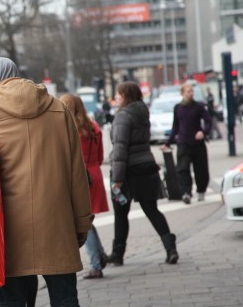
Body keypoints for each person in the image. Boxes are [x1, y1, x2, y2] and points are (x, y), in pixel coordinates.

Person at [0, 58, 93, 307]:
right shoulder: (60, 109)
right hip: (57, 222)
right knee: (66, 299)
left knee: (12, 301)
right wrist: (82, 223)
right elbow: (76, 173)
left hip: (9, 230)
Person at [108, 82, 178, 267]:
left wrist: (117, 178)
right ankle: (170, 248)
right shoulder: (143, 112)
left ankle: (118, 254)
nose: (116, 97)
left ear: (126, 96)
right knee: (152, 209)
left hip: (129, 170)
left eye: (119, 94)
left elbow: (120, 148)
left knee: (121, 213)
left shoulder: (123, 116)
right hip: (147, 165)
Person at [60, 94, 109, 280]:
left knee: (82, 222)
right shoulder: (93, 127)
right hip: (95, 174)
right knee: (87, 220)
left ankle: (96, 264)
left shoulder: (70, 129)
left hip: (81, 177)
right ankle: (101, 254)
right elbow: (101, 157)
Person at [162, 83, 212, 204]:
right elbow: (175, 127)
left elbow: (208, 121)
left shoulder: (199, 107)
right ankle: (186, 192)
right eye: (188, 91)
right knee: (182, 169)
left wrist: (203, 132)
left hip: (197, 143)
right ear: (182, 93)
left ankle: (201, 191)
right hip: (183, 143)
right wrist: (168, 143)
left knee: (201, 169)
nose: (191, 93)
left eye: (192, 91)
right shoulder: (178, 108)